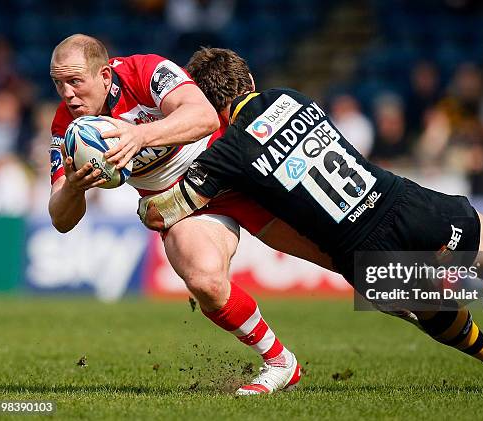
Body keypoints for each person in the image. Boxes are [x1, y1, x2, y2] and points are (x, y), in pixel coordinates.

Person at [139, 48, 483, 395]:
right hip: (397, 201)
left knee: (428, 310)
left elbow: (168, 211)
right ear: (250, 81)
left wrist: (130, 182)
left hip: (357, 253)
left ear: (209, 107)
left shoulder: (227, 155)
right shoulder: (293, 97)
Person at [47, 34, 333, 396]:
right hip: (182, 207)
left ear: (104, 75)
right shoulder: (66, 128)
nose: (67, 94)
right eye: (58, 83)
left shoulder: (145, 70)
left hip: (235, 174)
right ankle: (279, 362)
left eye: (75, 81)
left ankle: (422, 302)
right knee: (204, 281)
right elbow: (60, 217)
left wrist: (140, 136)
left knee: (340, 255)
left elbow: (204, 116)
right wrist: (73, 187)